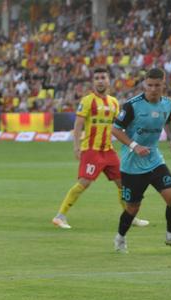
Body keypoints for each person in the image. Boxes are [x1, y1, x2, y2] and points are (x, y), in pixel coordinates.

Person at [53, 67, 149, 229]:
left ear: (108, 80)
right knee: (84, 182)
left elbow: (120, 126)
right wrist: (76, 146)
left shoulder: (113, 102)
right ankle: (60, 216)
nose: (100, 80)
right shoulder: (87, 100)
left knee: (123, 184)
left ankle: (130, 217)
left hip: (109, 151)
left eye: (103, 77)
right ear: (93, 82)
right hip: (91, 150)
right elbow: (78, 125)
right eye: (96, 78)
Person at [111, 68, 171, 254]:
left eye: (157, 85)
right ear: (144, 85)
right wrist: (135, 146)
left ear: (164, 84)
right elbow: (115, 130)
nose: (153, 89)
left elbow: (168, 121)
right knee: (133, 208)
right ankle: (120, 238)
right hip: (132, 165)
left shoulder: (168, 104)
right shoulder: (132, 106)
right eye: (150, 85)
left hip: (155, 160)